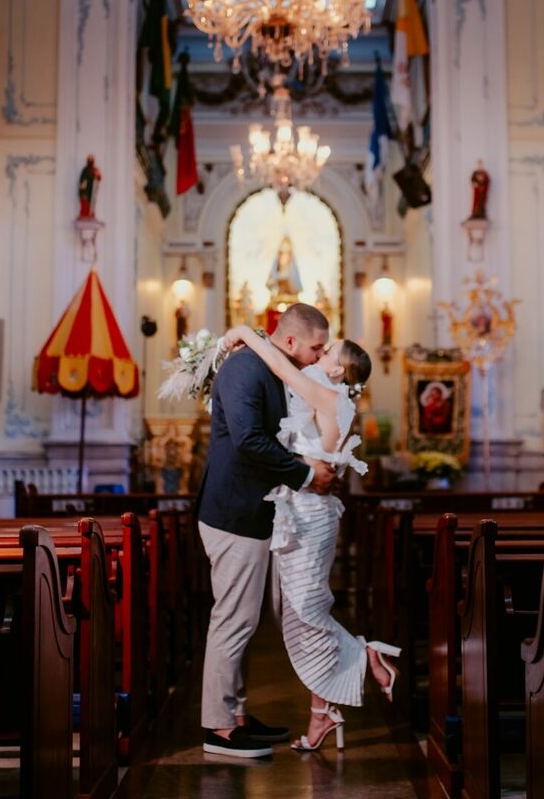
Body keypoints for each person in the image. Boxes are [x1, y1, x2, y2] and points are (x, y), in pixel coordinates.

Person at [222, 321, 400, 753]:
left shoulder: (329, 396)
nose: (319, 356)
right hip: (297, 509)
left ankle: (366, 655)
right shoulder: (328, 395)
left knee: (304, 609)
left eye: (327, 352)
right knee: (298, 613)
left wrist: (245, 331)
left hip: (310, 514)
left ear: (338, 371)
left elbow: (282, 368)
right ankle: (321, 711)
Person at [197, 303, 338, 758]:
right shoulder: (245, 368)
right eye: (317, 347)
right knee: (233, 620)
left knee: (244, 620)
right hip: (233, 510)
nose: (320, 356)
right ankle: (219, 728)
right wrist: (305, 473)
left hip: (251, 509)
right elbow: (248, 440)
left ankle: (236, 715)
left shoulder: (270, 366)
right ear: (292, 340)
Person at [78, 154, 101, 220]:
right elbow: (82, 180)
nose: (90, 162)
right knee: (84, 202)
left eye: (91, 161)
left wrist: (97, 176)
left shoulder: (95, 170)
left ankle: (91, 215)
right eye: (89, 161)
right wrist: (82, 187)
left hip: (92, 190)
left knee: (91, 203)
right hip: (85, 190)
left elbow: (99, 177)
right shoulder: (85, 170)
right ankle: (84, 215)